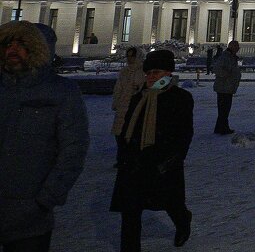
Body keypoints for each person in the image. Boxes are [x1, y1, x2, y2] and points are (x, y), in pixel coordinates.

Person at [0, 21, 89, 252]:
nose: (13, 49)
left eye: (22, 44)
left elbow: (73, 149)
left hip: (29, 214)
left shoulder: (61, 92)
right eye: (8, 43)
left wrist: (46, 199)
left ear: (38, 50)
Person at [110, 48, 194, 251]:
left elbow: (184, 134)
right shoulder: (139, 98)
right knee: (130, 213)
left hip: (162, 163)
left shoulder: (180, 98)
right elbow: (127, 128)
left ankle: (183, 221)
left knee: (171, 203)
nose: (150, 77)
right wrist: (124, 155)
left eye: (155, 72)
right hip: (135, 164)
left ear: (168, 73)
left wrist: (171, 160)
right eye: (148, 73)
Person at [112, 46, 145, 137]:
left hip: (136, 104)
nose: (130, 58)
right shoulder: (124, 71)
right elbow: (118, 88)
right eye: (128, 56)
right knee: (120, 131)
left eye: (132, 56)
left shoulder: (143, 71)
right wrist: (116, 102)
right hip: (123, 103)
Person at [211, 40, 241, 134]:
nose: (238, 48)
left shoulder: (230, 57)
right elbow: (217, 68)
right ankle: (222, 128)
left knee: (224, 109)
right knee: (224, 109)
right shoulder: (226, 57)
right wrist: (227, 75)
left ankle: (221, 127)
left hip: (227, 86)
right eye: (236, 46)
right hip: (224, 86)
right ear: (231, 47)